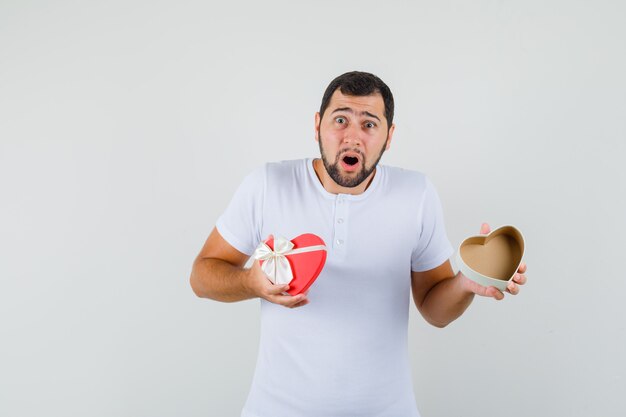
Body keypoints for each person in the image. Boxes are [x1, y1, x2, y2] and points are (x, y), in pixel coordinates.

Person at [189, 71, 527, 417]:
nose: (352, 137)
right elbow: (201, 277)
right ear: (317, 125)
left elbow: (434, 310)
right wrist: (251, 282)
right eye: (340, 120)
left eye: (369, 125)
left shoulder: (417, 194)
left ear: (389, 136)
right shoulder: (267, 185)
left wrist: (464, 284)